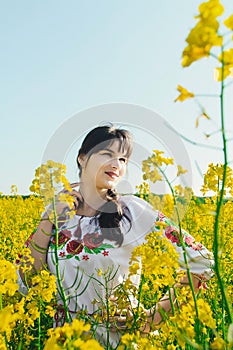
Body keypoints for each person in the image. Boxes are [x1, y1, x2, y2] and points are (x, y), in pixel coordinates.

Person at [18, 125, 214, 348]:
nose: (116, 165)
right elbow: (28, 279)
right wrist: (48, 219)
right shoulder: (58, 212)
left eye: (123, 159)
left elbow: (201, 261)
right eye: (107, 154)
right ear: (82, 158)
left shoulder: (132, 211)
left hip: (118, 341)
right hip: (64, 342)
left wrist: (151, 319)